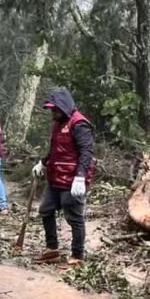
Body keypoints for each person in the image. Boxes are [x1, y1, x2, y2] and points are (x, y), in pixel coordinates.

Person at [32, 88, 95, 263]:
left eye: (55, 109)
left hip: (72, 179)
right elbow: (55, 150)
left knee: (74, 217)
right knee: (46, 210)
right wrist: (43, 163)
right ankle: (52, 249)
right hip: (55, 177)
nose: (53, 113)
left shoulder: (79, 124)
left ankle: (77, 256)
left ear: (64, 106)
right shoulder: (58, 124)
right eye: (51, 109)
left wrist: (80, 176)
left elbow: (86, 152)